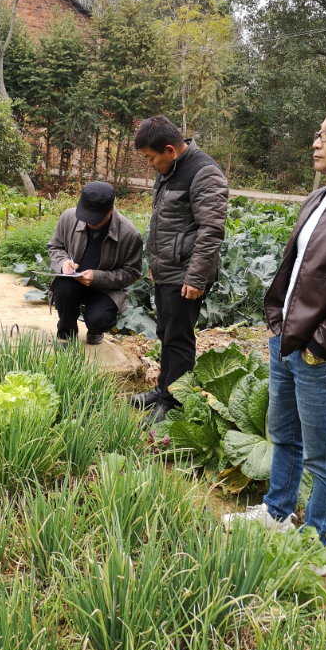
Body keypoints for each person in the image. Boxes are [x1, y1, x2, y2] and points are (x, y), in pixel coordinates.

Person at [224, 105, 326, 576]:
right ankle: (277, 513)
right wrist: (276, 321)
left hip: (325, 354)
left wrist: (319, 346)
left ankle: (314, 543)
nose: (316, 142)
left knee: (324, 455)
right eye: (318, 133)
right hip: (287, 340)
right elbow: (295, 269)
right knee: (284, 437)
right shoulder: (318, 198)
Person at [131, 116, 229, 423]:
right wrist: (155, 262)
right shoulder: (169, 170)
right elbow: (165, 222)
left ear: (170, 150)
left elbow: (211, 229)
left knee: (178, 337)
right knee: (166, 332)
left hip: (187, 273)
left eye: (151, 158)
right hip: (167, 269)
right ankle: (163, 389)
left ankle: (173, 402)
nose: (150, 164)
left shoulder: (204, 172)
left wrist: (196, 277)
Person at [47, 181, 143, 348]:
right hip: (73, 282)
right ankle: (66, 334)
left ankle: (95, 330)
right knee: (62, 288)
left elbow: (132, 273)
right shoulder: (68, 218)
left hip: (106, 289)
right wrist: (63, 263)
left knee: (100, 320)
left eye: (95, 219)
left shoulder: (130, 235)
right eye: (86, 216)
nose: (90, 222)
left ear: (111, 210)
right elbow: (55, 247)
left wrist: (98, 277)